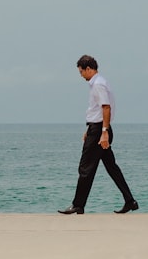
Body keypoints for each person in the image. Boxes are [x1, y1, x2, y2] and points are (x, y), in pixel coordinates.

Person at [58, 55, 139, 215]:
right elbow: (97, 111)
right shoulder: (99, 82)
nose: (81, 75)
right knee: (111, 167)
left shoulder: (98, 85)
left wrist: (103, 132)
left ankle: (78, 205)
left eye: (81, 71)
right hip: (96, 129)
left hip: (99, 131)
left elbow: (106, 108)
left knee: (85, 168)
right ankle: (130, 201)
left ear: (89, 69)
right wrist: (89, 129)